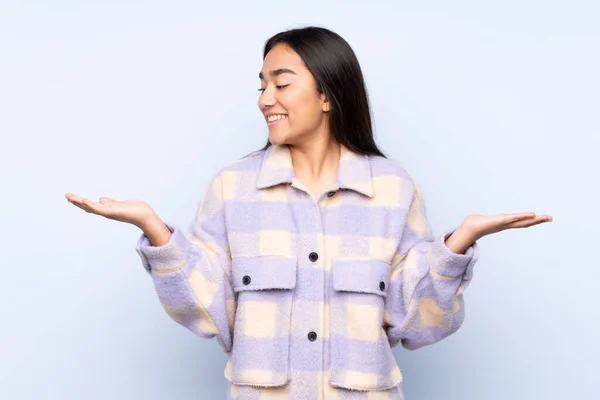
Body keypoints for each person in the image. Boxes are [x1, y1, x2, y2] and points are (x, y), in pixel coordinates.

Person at [65, 25, 552, 400]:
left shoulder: (392, 187)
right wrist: (156, 231)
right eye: (261, 85)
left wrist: (456, 245)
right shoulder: (233, 188)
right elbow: (209, 311)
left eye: (281, 83)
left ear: (326, 95)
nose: (265, 99)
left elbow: (417, 322)